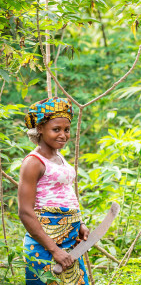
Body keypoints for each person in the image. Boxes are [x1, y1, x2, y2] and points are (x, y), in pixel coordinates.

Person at [19, 97, 90, 284]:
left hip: (69, 240)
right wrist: (54, 250)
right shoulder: (33, 162)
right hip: (45, 244)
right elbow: (25, 212)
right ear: (40, 129)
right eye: (56, 129)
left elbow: (66, 194)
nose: (63, 135)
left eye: (66, 130)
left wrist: (79, 224)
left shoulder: (59, 157)